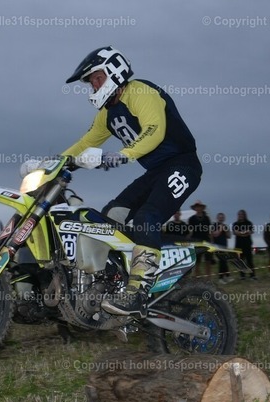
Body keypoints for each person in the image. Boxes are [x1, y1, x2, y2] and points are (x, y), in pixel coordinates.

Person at [62, 46, 202, 316]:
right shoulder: (107, 113)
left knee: (146, 217)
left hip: (183, 165)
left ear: (115, 71)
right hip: (155, 172)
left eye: (97, 78)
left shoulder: (140, 91)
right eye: (91, 82)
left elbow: (154, 130)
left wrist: (123, 155)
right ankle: (113, 282)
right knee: (111, 214)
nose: (94, 86)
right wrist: (53, 164)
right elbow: (85, 143)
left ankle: (138, 291)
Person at [188, 201, 213, 278]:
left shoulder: (207, 218)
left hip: (207, 242)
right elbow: (190, 232)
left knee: (208, 261)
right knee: (197, 262)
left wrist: (212, 242)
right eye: (197, 207)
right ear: (195, 208)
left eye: (199, 206)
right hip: (196, 243)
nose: (198, 208)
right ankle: (197, 278)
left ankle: (208, 279)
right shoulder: (191, 219)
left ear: (202, 208)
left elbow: (210, 231)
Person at [232, 210, 256, 280]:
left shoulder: (249, 223)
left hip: (247, 244)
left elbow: (250, 232)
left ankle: (252, 275)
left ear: (244, 215)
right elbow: (235, 232)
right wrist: (244, 233)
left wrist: (241, 233)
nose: (241, 215)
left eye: (242, 214)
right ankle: (242, 276)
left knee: (249, 261)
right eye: (239, 214)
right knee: (240, 261)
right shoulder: (235, 224)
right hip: (238, 245)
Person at [211, 212, 232, 284]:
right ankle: (221, 278)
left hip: (224, 246)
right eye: (220, 217)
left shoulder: (225, 226)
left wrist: (225, 231)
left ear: (224, 218)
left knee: (224, 261)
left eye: (222, 217)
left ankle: (227, 276)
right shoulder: (214, 225)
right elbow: (214, 235)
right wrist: (220, 229)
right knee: (222, 261)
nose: (221, 218)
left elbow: (229, 236)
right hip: (217, 246)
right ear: (217, 218)